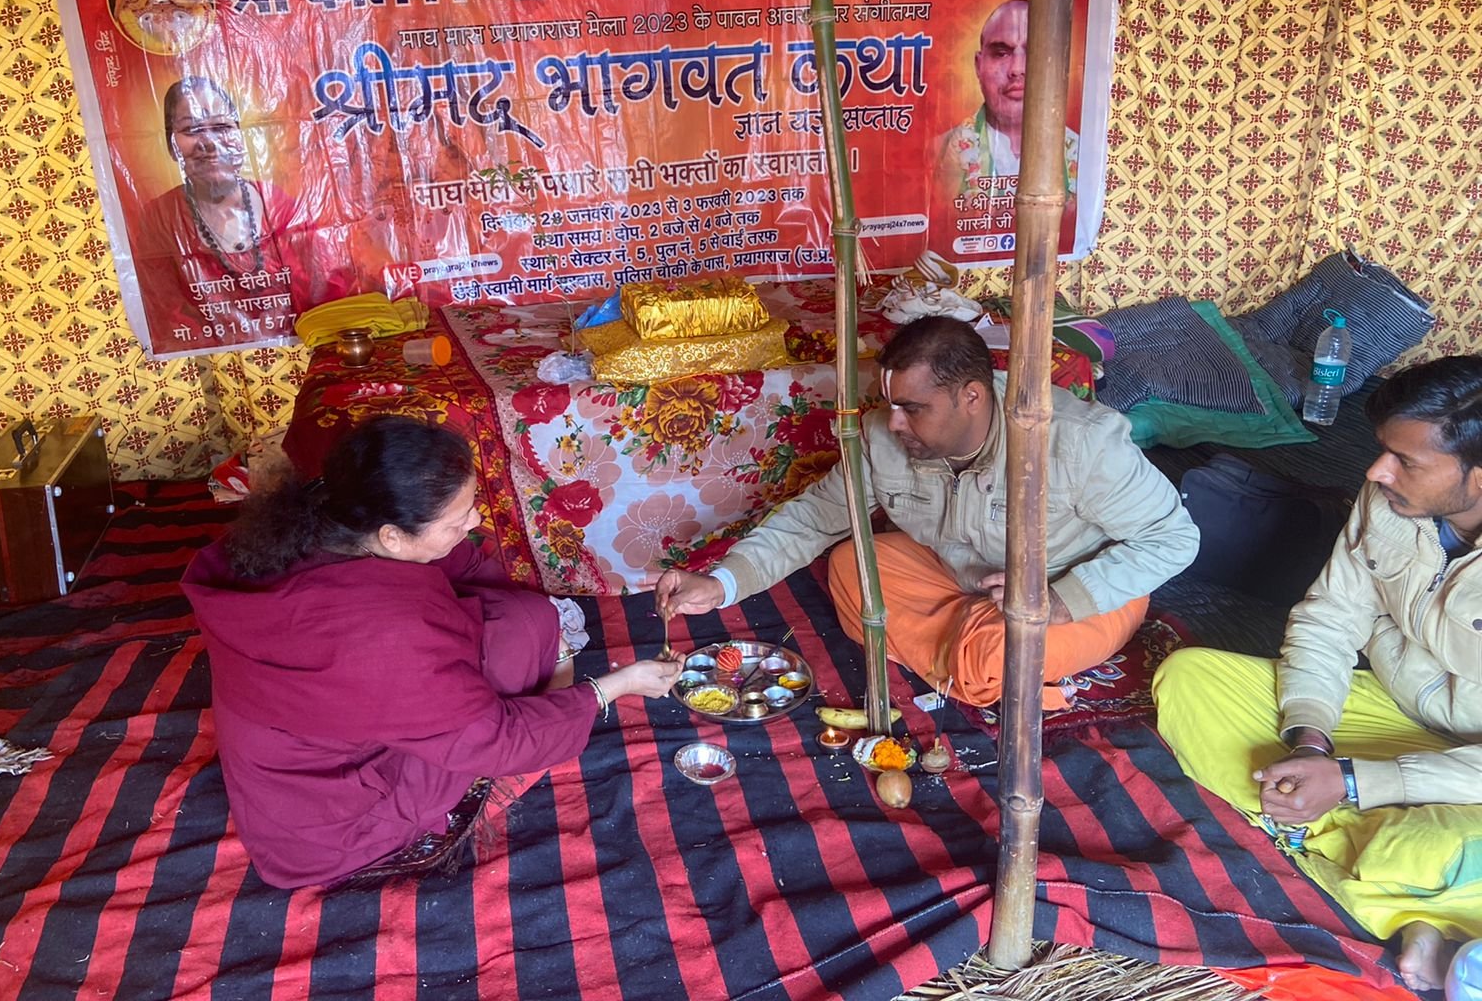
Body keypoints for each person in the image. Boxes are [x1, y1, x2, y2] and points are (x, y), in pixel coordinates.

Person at [182, 415, 680, 889]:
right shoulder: (381, 636)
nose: (476, 520)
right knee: (524, 644)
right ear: (393, 537)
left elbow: (468, 568)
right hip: (331, 824)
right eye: (459, 518)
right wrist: (617, 685)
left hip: (308, 749)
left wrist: (540, 619)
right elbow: (498, 741)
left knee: (529, 621)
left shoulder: (333, 516)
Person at [656, 316, 1198, 710]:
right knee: (851, 566)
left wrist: (1058, 600)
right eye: (891, 404)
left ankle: (984, 662)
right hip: (960, 578)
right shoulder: (882, 437)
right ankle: (969, 657)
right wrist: (722, 583)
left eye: (912, 409)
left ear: (972, 397)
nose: (894, 423)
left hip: (1078, 594)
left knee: (996, 653)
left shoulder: (1077, 443)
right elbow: (816, 517)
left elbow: (1173, 538)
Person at [1153, 357, 1482, 994]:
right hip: (1393, 710)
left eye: (1405, 460)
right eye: (1382, 451)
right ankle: (1363, 870)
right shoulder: (1389, 500)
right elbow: (1329, 617)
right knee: (1191, 680)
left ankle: (1318, 838)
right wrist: (1310, 740)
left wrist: (1356, 781)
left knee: (1431, 852)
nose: (1376, 471)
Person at [130, 76, 357, 353]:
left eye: (222, 127)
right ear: (170, 145)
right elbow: (167, 314)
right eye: (191, 129)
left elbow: (327, 294)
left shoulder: (282, 207)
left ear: (241, 136)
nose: (209, 143)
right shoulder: (160, 218)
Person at [923, 0, 1080, 271]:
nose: (1017, 69)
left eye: (1034, 51)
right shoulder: (939, 152)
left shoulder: (1083, 153)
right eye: (1001, 53)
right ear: (978, 65)